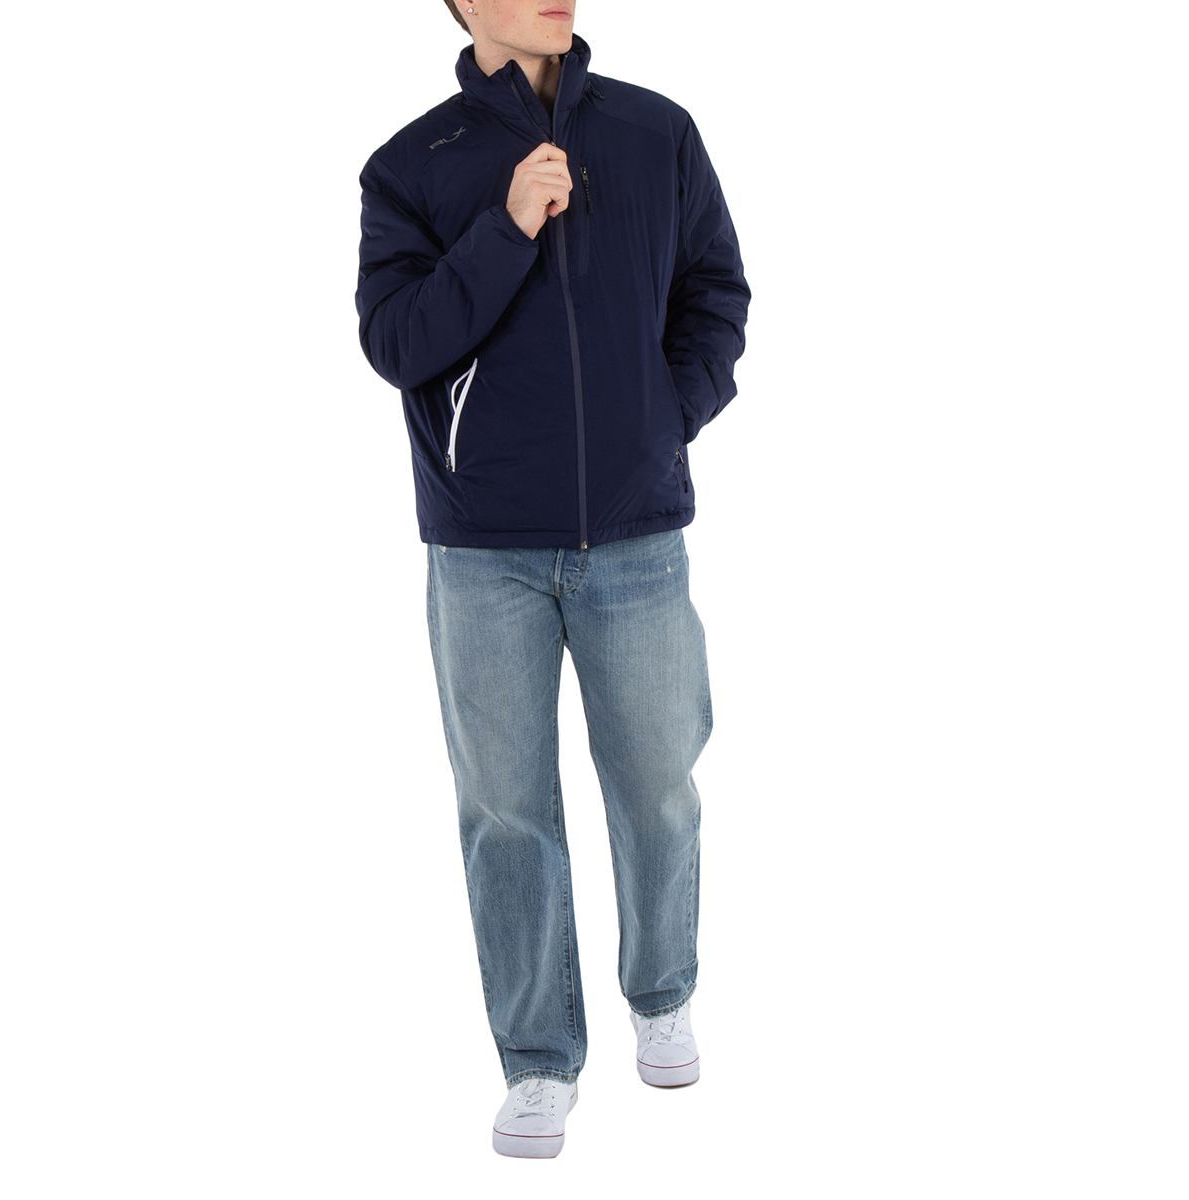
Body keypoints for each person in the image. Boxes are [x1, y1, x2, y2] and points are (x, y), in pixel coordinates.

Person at [354, 0, 750, 1158]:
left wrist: (656, 428)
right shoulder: (410, 165)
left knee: (659, 777)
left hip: (637, 535)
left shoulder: (655, 132)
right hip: (483, 552)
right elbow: (397, 343)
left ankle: (662, 991)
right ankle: (537, 1060)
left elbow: (715, 296)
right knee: (505, 810)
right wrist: (507, 227)